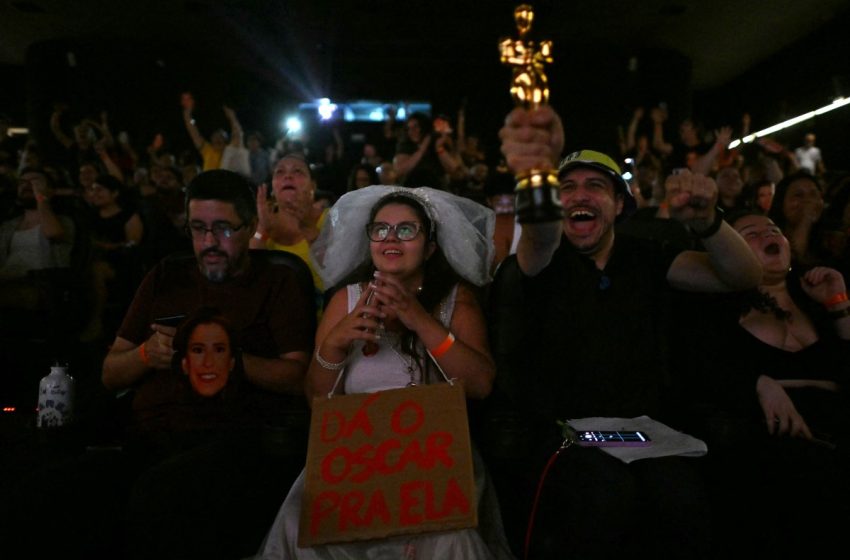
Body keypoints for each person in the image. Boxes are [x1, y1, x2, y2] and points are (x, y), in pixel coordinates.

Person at [487, 105, 762, 559]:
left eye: (595, 186)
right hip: (565, 433)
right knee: (605, 496)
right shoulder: (542, 258)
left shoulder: (647, 256)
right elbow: (537, 236)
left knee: (681, 503)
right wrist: (536, 175)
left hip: (640, 430)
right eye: (567, 187)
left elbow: (741, 276)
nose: (580, 195)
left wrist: (707, 220)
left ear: (619, 204)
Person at [255, 185, 515, 559]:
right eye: (381, 229)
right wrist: (335, 344)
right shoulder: (345, 299)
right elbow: (318, 402)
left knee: (445, 539)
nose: (391, 238)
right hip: (355, 460)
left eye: (406, 230)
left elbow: (480, 385)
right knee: (304, 525)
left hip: (432, 461)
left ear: (429, 246)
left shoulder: (456, 300)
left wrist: (419, 319)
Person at [98, 168, 316, 557]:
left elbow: (298, 378)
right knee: (61, 496)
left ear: (250, 228)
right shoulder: (167, 275)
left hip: (233, 435)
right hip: (150, 431)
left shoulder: (277, 280)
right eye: (198, 228)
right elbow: (110, 373)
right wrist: (148, 354)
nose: (210, 242)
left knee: (159, 495)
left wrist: (226, 357)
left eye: (223, 229)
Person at [686, 209, 850, 559]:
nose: (768, 236)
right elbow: (699, 373)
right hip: (770, 430)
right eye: (751, 234)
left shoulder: (817, 296)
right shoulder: (714, 306)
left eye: (773, 229)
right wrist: (757, 382)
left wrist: (838, 304)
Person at [251, 152, 328, 303]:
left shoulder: (332, 219)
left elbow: (337, 278)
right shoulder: (259, 224)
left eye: (297, 171)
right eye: (280, 172)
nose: (288, 176)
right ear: (272, 188)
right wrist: (262, 230)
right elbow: (248, 279)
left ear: (313, 185)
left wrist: (310, 230)